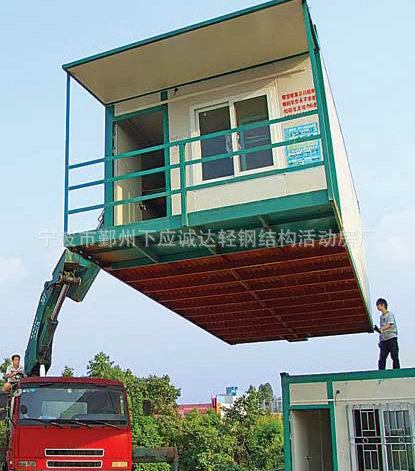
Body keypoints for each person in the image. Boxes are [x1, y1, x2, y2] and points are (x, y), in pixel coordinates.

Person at [374, 298, 400, 370]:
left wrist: (381, 329)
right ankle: (381, 373)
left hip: (391, 338)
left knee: (394, 356)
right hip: (383, 340)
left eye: (378, 305)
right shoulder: (381, 317)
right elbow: (381, 330)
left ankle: (396, 371)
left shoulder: (390, 315)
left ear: (383, 305)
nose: (377, 307)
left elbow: (389, 325)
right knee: (382, 359)